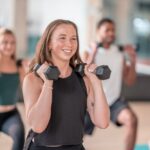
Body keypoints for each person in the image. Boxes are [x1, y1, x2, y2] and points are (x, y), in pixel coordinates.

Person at [23, 19, 110, 150]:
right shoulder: (33, 80)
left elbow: (102, 122)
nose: (69, 43)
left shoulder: (83, 80)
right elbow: (38, 126)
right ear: (49, 44)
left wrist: (96, 83)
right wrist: (48, 83)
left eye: (73, 38)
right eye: (62, 38)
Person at [82, 18, 138, 150]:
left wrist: (133, 61)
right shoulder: (87, 51)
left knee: (131, 120)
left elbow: (129, 81)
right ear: (98, 32)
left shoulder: (119, 54)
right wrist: (93, 52)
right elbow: (84, 74)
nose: (111, 33)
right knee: (76, 133)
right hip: (91, 102)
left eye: (113, 30)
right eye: (107, 30)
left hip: (113, 101)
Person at [0, 28, 25, 150]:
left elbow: (27, 91)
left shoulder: (19, 66)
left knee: (20, 135)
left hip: (10, 114)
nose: (9, 46)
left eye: (12, 42)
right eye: (4, 42)